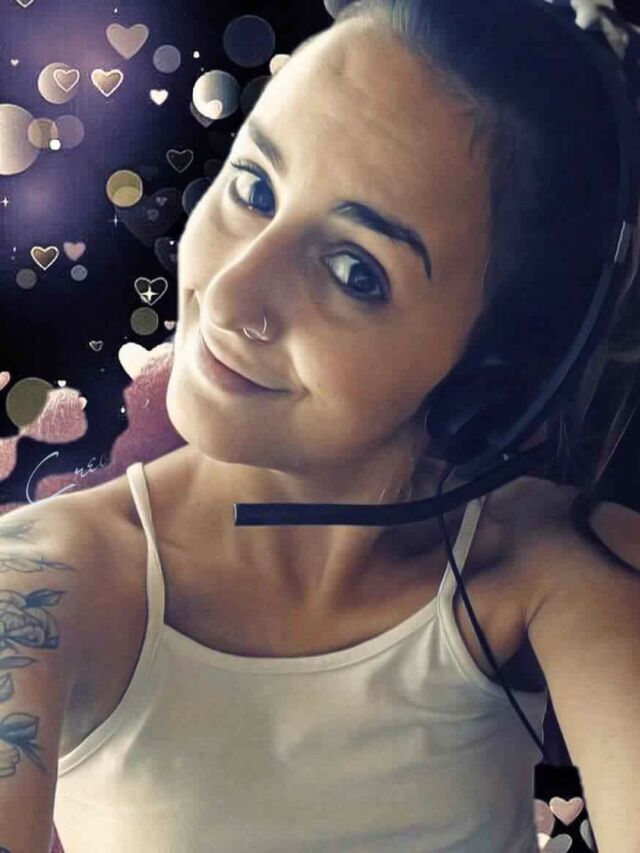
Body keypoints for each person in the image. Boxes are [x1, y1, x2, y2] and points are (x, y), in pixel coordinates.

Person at [1, 1, 639, 851]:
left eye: (353, 270)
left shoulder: (559, 567)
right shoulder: (38, 585)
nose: (229, 294)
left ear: (493, 369)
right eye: (254, 188)